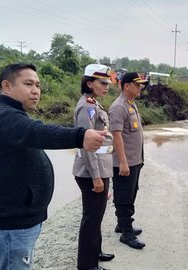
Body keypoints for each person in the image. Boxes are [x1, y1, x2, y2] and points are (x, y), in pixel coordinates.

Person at [0, 63, 106, 270]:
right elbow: (37, 132)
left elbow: (1, 154)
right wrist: (80, 135)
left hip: (20, 219)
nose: (36, 91)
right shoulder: (4, 116)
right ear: (6, 86)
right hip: (11, 222)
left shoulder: (9, 114)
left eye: (38, 85)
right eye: (28, 84)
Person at [72, 64, 115, 270]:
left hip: (99, 169)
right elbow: (86, 145)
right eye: (102, 83)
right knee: (91, 218)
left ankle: (95, 252)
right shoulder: (86, 108)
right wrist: (97, 177)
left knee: (97, 215)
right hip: (90, 173)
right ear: (89, 83)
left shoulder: (94, 104)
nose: (106, 86)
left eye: (107, 83)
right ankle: (87, 265)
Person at [109, 72, 148, 249]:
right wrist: (123, 161)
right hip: (125, 162)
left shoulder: (130, 104)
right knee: (124, 195)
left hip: (134, 160)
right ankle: (126, 233)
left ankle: (122, 224)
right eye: (137, 84)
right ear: (126, 86)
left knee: (131, 192)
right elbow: (116, 135)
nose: (141, 87)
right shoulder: (119, 107)